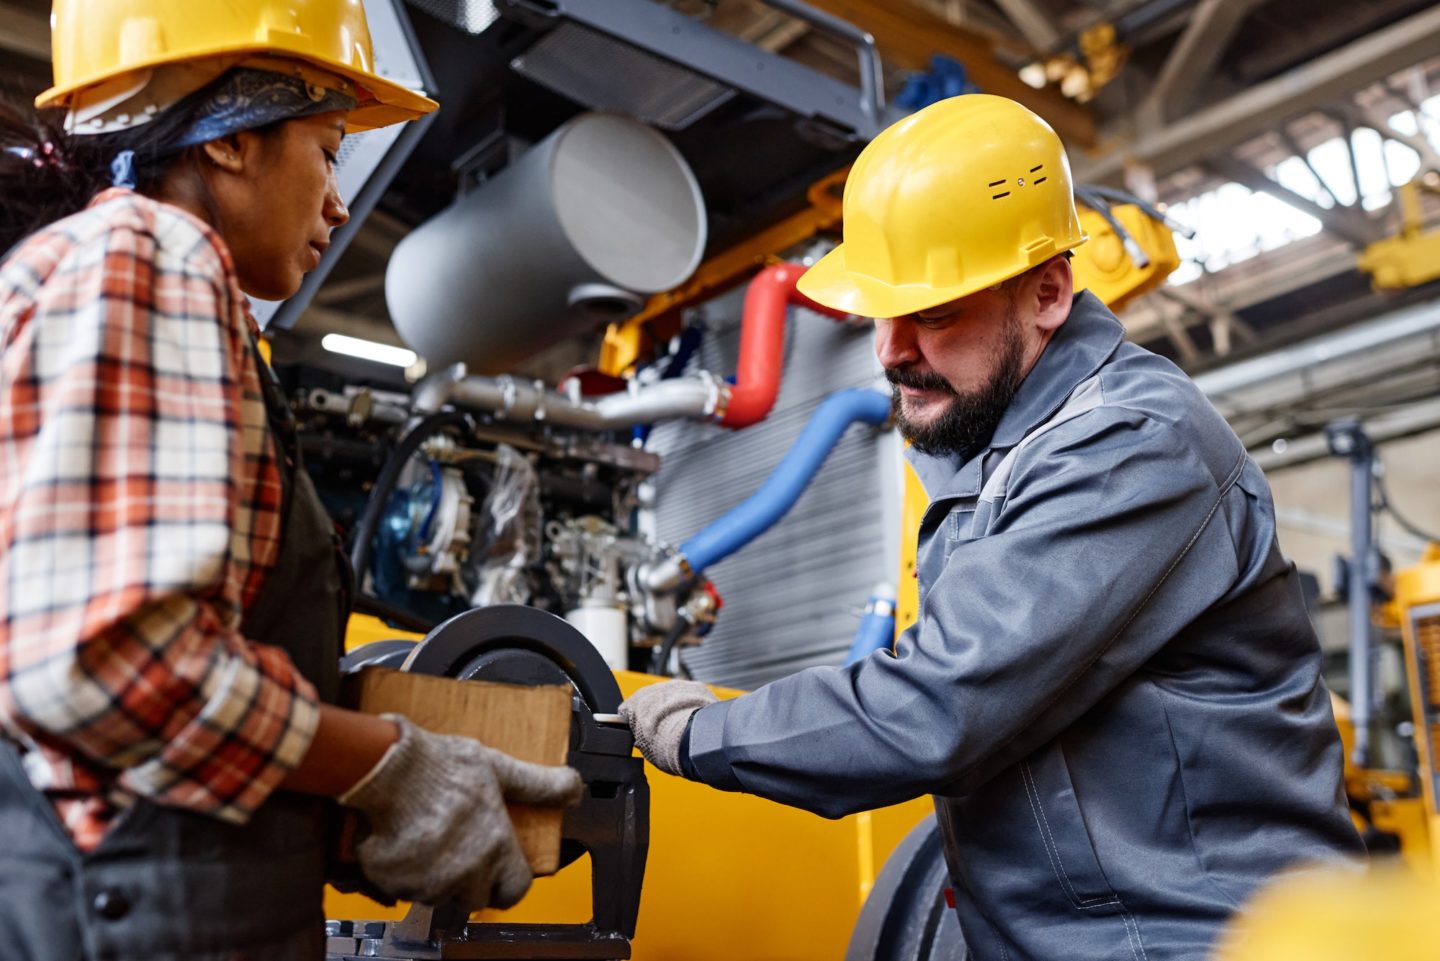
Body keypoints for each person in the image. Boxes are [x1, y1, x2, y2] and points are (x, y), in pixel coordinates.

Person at [620, 94, 1365, 960]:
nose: (892, 349)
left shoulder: (1133, 445)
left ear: (1049, 291)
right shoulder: (999, 449)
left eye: (934, 312)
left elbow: (939, 704)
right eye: (879, 314)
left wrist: (698, 728)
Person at [0, 2, 581, 958]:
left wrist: (338, 804)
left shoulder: (108, 277)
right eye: (327, 151)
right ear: (233, 142)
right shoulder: (156, 254)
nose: (341, 203)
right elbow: (108, 666)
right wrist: (388, 766)